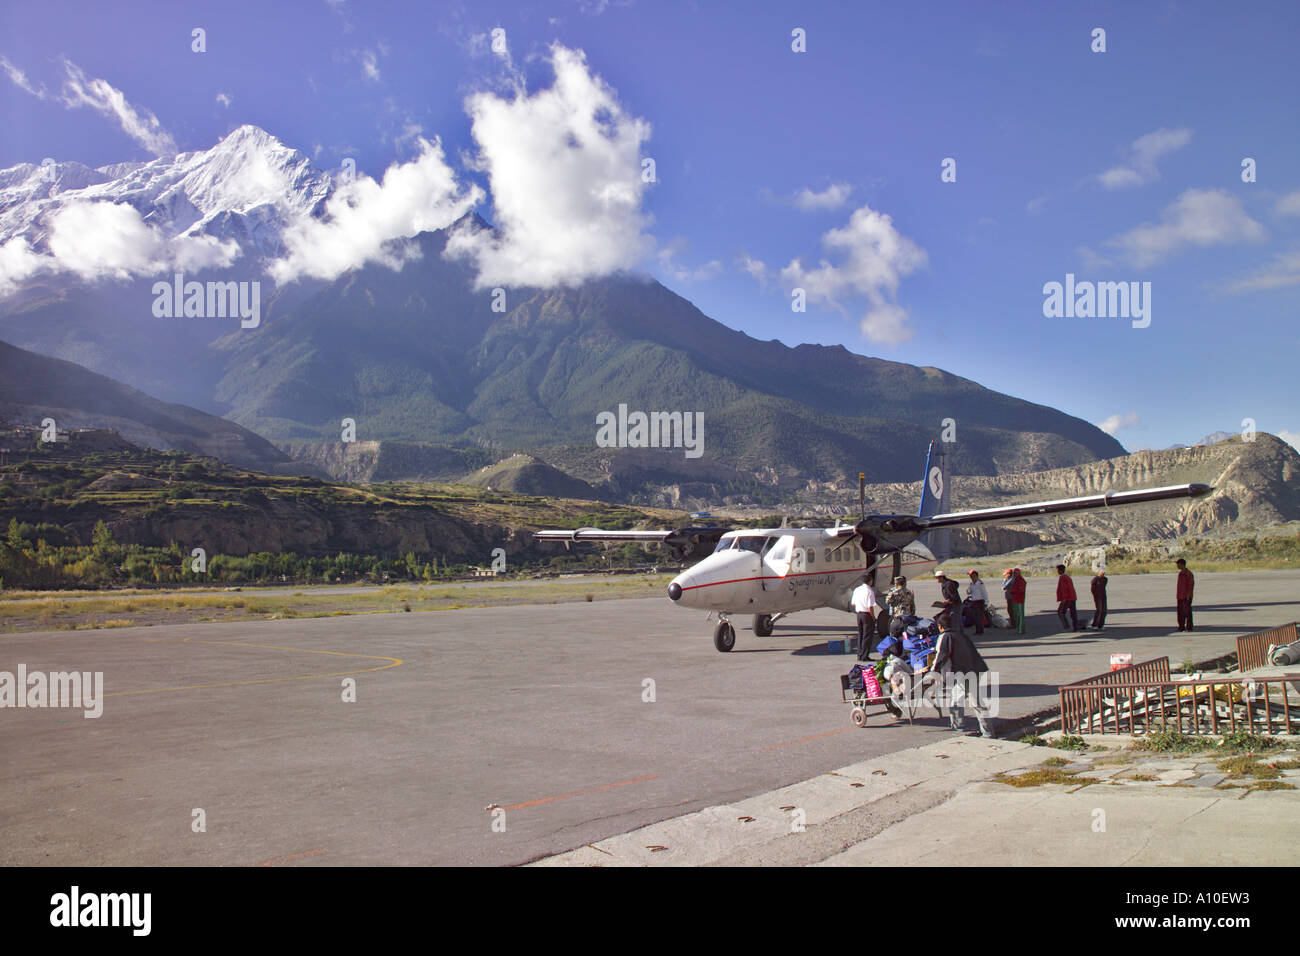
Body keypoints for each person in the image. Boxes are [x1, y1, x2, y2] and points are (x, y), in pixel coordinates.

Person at [930, 616, 994, 737]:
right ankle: (978, 730)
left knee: (969, 701)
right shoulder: (962, 635)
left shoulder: (945, 637)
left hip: (963, 673)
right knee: (962, 699)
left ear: (940, 627)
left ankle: (979, 731)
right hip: (974, 669)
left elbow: (941, 655)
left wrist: (933, 671)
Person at [852, 573, 881, 660]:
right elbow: (870, 607)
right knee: (867, 636)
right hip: (866, 614)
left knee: (860, 634)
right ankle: (865, 655)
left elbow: (853, 603)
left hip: (859, 614)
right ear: (870, 581)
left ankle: (860, 654)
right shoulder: (869, 591)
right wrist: (873, 617)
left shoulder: (857, 590)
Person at [932, 569, 964, 636]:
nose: (936, 579)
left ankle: (959, 635)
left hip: (955, 606)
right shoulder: (945, 584)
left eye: (937, 578)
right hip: (952, 605)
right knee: (955, 621)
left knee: (956, 621)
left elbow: (954, 597)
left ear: (941, 577)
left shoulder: (948, 585)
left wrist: (947, 601)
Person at [1055, 564, 1080, 632]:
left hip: (1067, 598)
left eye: (1057, 570)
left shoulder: (1062, 577)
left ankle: (1066, 627)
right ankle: (1076, 627)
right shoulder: (1068, 577)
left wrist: (1064, 598)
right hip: (1072, 597)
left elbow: (1064, 588)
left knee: (1060, 612)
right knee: (1073, 613)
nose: (1057, 571)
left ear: (1060, 570)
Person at [966, 570, 987, 635]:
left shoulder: (980, 584)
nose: (972, 577)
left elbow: (984, 593)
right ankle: (977, 630)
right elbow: (969, 592)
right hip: (973, 601)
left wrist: (986, 602)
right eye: (971, 576)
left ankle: (980, 630)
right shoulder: (971, 584)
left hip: (979, 601)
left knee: (979, 617)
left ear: (976, 576)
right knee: (975, 616)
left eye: (973, 576)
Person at [1176, 558, 1195, 631]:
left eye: (1178, 564)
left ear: (1181, 564)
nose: (1177, 566)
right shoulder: (1181, 574)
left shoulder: (1188, 574)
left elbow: (1190, 586)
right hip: (1180, 597)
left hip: (1186, 597)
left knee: (1187, 612)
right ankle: (1181, 626)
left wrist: (1188, 596)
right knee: (1180, 613)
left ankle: (1189, 627)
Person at [1008, 568, 1027, 634]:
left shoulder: (1021, 580)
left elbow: (1021, 590)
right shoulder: (1015, 580)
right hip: (1015, 599)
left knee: (1020, 615)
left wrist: (1012, 591)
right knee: (1016, 615)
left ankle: (1021, 629)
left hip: (1019, 600)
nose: (1014, 574)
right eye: (1014, 573)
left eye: (1016, 573)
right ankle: (1019, 628)